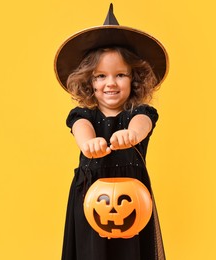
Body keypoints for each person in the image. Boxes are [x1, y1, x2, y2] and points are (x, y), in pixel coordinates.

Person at [54, 4, 169, 260]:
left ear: (134, 79)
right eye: (100, 76)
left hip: (132, 201)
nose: (111, 83)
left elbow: (143, 124)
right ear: (89, 81)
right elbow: (80, 130)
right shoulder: (84, 116)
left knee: (132, 253)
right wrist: (89, 143)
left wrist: (132, 135)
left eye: (120, 75)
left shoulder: (139, 113)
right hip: (91, 199)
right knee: (90, 253)